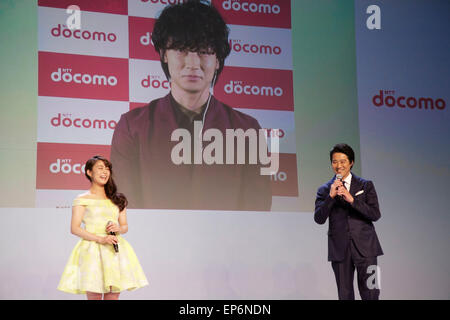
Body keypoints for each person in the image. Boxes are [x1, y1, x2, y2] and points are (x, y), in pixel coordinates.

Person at [110, 0, 272, 211]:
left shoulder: (249, 130)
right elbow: (125, 208)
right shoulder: (132, 127)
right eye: (182, 50)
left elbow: (257, 211)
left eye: (204, 51)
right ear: (164, 55)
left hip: (227, 243)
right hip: (153, 243)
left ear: (218, 60)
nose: (193, 63)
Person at [57, 155, 148, 300]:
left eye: (107, 169)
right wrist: (100, 238)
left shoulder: (118, 199)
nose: (105, 172)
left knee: (113, 296)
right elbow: (75, 228)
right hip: (92, 250)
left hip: (114, 250)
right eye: (100, 168)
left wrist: (119, 228)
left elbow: (124, 226)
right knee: (94, 295)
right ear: (89, 172)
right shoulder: (82, 199)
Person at [314, 143, 383, 300]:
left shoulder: (366, 185)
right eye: (335, 161)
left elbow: (375, 214)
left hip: (367, 249)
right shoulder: (324, 189)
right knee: (344, 295)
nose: (339, 166)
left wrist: (352, 200)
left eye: (343, 161)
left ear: (351, 162)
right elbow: (319, 218)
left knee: (372, 292)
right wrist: (330, 197)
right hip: (339, 250)